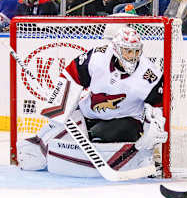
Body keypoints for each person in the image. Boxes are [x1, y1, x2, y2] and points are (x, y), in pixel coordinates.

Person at [16, 26, 167, 178]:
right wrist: (61, 102)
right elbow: (72, 75)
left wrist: (153, 129)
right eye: (128, 51)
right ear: (116, 50)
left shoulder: (149, 74)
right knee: (54, 129)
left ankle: (145, 159)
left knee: (97, 137)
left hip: (126, 120)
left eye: (136, 51)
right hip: (88, 113)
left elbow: (158, 106)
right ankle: (35, 150)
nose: (133, 56)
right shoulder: (97, 57)